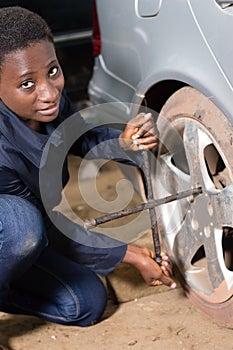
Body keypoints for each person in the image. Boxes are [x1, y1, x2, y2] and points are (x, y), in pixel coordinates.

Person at [0, 5, 176, 335]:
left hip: (17, 242)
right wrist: (131, 255)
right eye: (27, 83)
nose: (49, 92)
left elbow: (77, 139)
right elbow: (46, 228)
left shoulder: (47, 102)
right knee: (20, 223)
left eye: (52, 71)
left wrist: (123, 145)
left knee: (85, 303)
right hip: (14, 230)